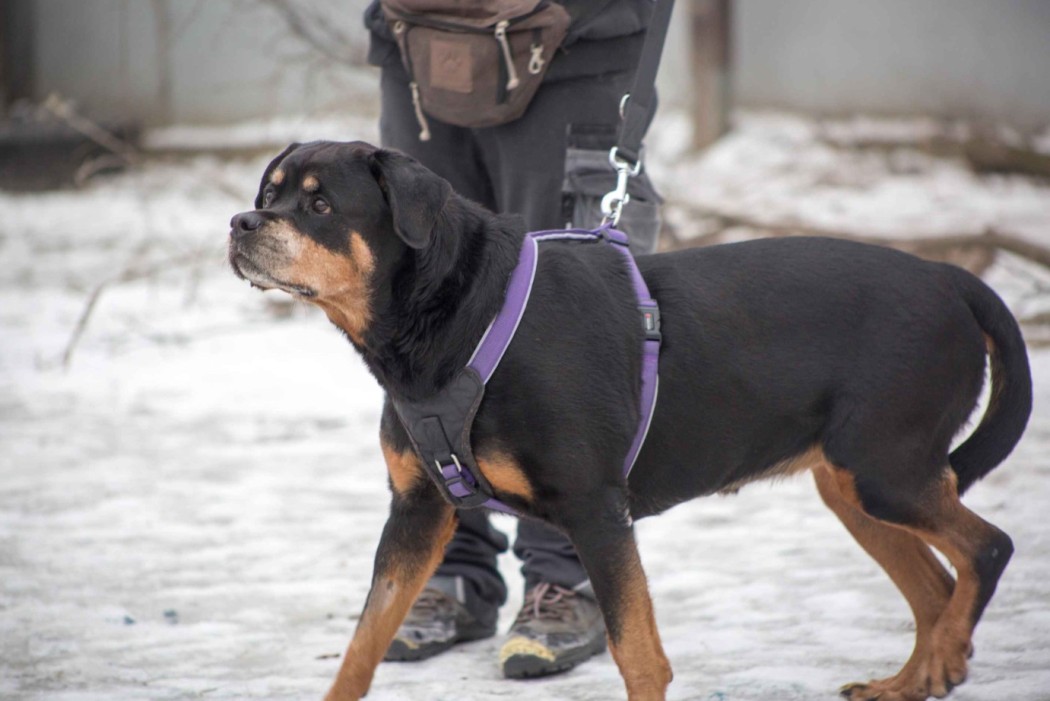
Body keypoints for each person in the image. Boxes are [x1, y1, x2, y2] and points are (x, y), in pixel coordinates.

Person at [362, 0, 662, 679]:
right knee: (419, 295)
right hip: (420, 40)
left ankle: (567, 576)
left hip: (574, 42)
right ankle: (452, 568)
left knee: (560, 315)